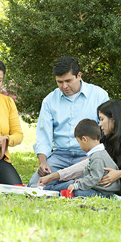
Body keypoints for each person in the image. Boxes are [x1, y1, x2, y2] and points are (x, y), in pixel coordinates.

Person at [28, 56, 109, 187]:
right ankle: (67, 186)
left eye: (68, 81)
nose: (64, 86)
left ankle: (64, 186)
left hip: (88, 154)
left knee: (93, 182)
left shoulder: (99, 96)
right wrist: (43, 162)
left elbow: (106, 132)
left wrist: (92, 156)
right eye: (59, 82)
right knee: (34, 185)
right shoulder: (49, 100)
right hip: (59, 155)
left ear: (79, 75)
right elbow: (43, 136)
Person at [43, 119, 121, 197]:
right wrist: (82, 181)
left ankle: (50, 192)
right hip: (99, 188)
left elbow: (95, 178)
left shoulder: (97, 157)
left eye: (78, 142)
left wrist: (77, 185)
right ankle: (48, 189)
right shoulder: (100, 153)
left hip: (103, 192)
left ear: (84, 139)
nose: (79, 145)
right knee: (75, 184)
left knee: (77, 192)